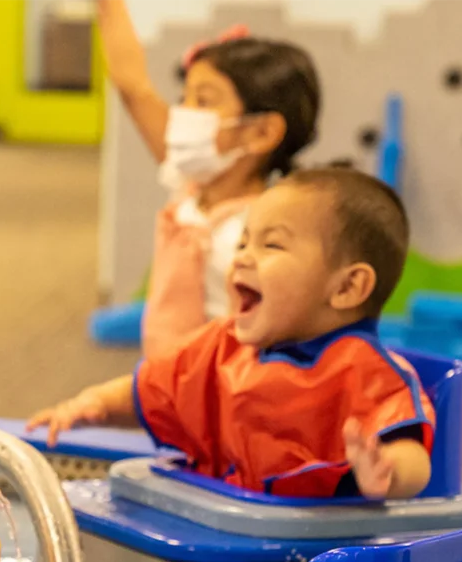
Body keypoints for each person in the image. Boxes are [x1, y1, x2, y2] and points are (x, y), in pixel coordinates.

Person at [28, 168, 434, 502]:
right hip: (221, 527)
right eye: (243, 241)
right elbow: (153, 392)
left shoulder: (363, 371)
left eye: (271, 244)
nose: (242, 256)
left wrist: (387, 472)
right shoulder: (223, 346)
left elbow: (411, 453)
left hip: (305, 557)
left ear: (346, 288)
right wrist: (95, 403)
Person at [98, 0, 320, 357]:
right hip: (165, 382)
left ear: (261, 132)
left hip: (222, 392)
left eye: (203, 102)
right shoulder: (189, 186)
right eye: (183, 97)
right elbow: (133, 86)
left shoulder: (263, 230)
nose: (183, 114)